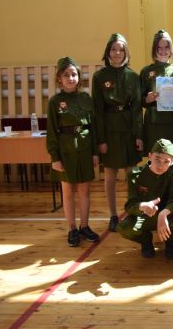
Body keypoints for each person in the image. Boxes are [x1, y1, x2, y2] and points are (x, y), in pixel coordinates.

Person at [92, 33, 143, 232]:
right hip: (109, 129)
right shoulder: (99, 77)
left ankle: (132, 212)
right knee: (110, 175)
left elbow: (137, 108)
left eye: (121, 49)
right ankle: (113, 215)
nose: (117, 53)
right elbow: (97, 111)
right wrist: (101, 139)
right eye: (113, 49)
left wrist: (138, 135)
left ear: (126, 52)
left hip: (128, 127)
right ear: (108, 52)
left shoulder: (133, 76)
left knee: (132, 174)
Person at [46, 57, 100, 247]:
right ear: (59, 78)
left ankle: (84, 226)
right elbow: (52, 131)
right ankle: (72, 228)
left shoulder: (86, 99)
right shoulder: (55, 102)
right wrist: (55, 157)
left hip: (85, 148)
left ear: (79, 77)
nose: (71, 78)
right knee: (68, 191)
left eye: (74, 74)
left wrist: (95, 152)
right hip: (65, 150)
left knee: (85, 190)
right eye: (66, 75)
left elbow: (94, 127)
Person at [116, 139, 173, 259]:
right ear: (150, 156)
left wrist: (164, 213)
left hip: (167, 216)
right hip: (145, 216)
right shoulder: (135, 175)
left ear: (172, 161)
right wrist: (142, 206)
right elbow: (130, 205)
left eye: (166, 161)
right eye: (157, 159)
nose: (161, 165)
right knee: (124, 228)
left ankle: (170, 239)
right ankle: (146, 241)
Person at [140, 30, 173, 159]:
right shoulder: (146, 71)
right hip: (153, 125)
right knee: (155, 161)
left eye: (166, 47)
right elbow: (138, 101)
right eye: (159, 47)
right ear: (154, 49)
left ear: (171, 48)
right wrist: (147, 99)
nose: (163, 51)